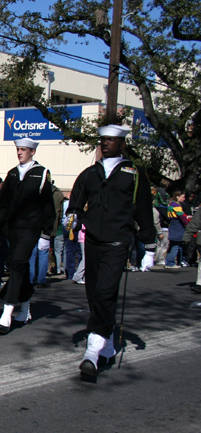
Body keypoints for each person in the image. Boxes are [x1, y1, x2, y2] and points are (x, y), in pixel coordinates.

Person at [66, 125, 156, 379]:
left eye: (111, 140)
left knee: (106, 291)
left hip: (118, 242)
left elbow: (143, 208)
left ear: (122, 144)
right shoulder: (91, 172)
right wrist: (72, 216)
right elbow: (76, 201)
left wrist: (149, 245)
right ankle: (108, 341)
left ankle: (92, 353)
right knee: (95, 293)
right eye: (102, 140)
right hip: (92, 240)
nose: (105, 144)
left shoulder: (133, 172)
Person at [0, 138, 55, 334]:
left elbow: (47, 205)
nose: (20, 153)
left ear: (32, 152)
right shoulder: (12, 173)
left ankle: (7, 312)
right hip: (13, 228)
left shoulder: (41, 173)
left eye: (24, 150)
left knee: (17, 263)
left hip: (31, 228)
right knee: (22, 267)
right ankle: (25, 309)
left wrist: (46, 234)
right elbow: (4, 204)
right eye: (18, 149)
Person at [166, 191, 190, 267]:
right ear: (177, 197)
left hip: (173, 225)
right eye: (183, 197)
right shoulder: (176, 205)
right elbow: (181, 216)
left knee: (174, 245)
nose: (184, 199)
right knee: (175, 245)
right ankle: (170, 263)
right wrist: (188, 224)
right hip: (177, 226)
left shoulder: (171, 204)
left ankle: (170, 262)